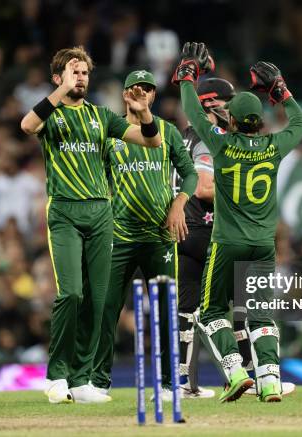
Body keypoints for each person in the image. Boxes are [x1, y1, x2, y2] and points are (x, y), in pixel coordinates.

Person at [20, 46, 161, 404]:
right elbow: (26, 125)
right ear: (59, 78)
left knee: (98, 300)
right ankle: (56, 375)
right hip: (65, 212)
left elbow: (152, 140)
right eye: (73, 72)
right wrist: (59, 92)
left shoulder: (101, 116)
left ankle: (82, 380)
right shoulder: (50, 113)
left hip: (101, 214)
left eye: (84, 73)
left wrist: (144, 113)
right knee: (71, 293)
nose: (80, 78)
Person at [173, 42, 302, 402]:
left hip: (226, 242)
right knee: (261, 315)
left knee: (210, 311)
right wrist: (280, 88)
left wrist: (187, 75)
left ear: (231, 119)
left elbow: (192, 109)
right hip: (263, 244)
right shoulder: (274, 147)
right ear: (260, 122)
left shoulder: (221, 144)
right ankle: (270, 381)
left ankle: (235, 373)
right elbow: (300, 121)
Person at [90, 69, 198, 401]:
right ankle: (97, 382)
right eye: (138, 89)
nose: (144, 94)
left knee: (165, 310)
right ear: (125, 95)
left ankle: (167, 384)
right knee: (107, 308)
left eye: (149, 89)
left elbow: (190, 175)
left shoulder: (166, 131)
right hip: (119, 236)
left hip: (159, 238)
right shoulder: (110, 134)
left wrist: (179, 204)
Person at [175, 77, 235, 398]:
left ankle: (186, 384)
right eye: (228, 102)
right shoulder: (207, 137)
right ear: (212, 104)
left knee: (188, 311)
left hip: (181, 232)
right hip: (205, 232)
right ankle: (239, 377)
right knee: (232, 307)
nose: (232, 108)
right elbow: (203, 187)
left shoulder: (182, 136)